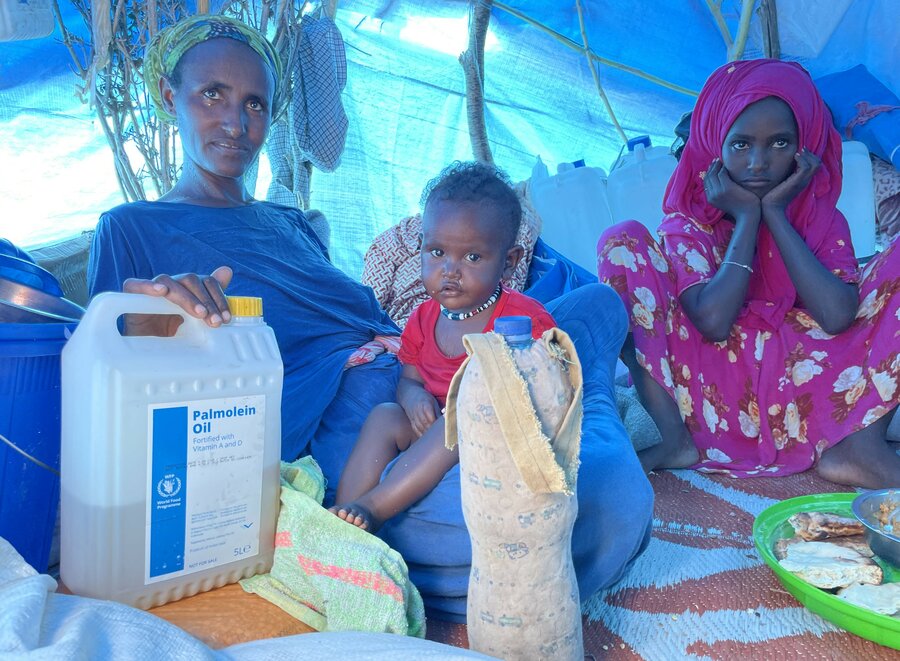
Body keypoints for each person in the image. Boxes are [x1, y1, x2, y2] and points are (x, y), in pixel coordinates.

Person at [87, 14, 653, 622]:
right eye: (211, 95)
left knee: (595, 304)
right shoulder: (132, 227)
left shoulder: (292, 222)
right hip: (340, 400)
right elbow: (105, 371)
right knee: (596, 504)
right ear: (171, 96)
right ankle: (570, 433)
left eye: (254, 103)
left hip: (415, 358)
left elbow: (363, 314)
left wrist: (425, 354)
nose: (234, 120)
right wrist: (165, 309)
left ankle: (568, 416)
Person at [597, 59, 899, 489]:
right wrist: (746, 220)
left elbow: (837, 317)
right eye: (740, 145)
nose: (759, 162)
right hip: (712, 390)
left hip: (806, 385)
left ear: (806, 147)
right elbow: (714, 322)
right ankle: (672, 440)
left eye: (779, 143)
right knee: (621, 242)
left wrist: (775, 214)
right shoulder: (690, 223)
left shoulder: (820, 220)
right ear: (713, 147)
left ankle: (858, 447)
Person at [330, 162, 556, 531]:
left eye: (472, 257)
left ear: (508, 262)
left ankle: (373, 507)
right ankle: (341, 518)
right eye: (437, 252)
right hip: (433, 430)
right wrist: (413, 397)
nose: (450, 269)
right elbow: (409, 378)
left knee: (461, 415)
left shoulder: (522, 319)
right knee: (385, 415)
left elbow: (547, 390)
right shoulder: (423, 317)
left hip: (492, 437)